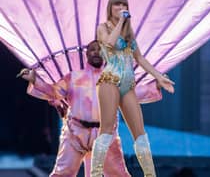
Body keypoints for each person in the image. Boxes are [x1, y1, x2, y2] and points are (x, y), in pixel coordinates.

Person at [91, 0, 175, 177]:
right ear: (110, 8)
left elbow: (140, 58)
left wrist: (159, 77)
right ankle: (96, 174)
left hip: (128, 84)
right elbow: (110, 43)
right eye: (117, 5)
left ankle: (150, 175)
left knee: (140, 132)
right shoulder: (103, 28)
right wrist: (121, 21)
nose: (121, 8)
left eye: (123, 5)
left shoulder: (129, 34)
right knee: (107, 128)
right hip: (110, 81)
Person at [18, 40, 131, 177]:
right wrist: (35, 80)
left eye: (100, 50)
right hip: (76, 133)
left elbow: (132, 95)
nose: (96, 52)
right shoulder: (73, 77)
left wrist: (155, 85)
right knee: (63, 173)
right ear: (87, 54)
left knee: (118, 175)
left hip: (105, 134)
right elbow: (54, 92)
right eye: (92, 50)